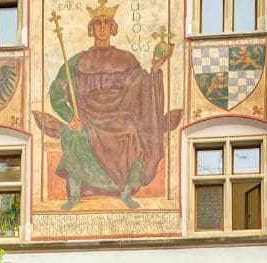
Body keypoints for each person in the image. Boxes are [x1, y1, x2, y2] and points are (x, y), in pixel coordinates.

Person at [48, 0, 180, 209]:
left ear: (113, 28)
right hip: (87, 118)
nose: (102, 27)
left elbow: (141, 86)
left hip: (119, 117)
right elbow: (56, 91)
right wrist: (70, 117)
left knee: (132, 132)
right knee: (75, 135)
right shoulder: (76, 61)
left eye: (106, 23)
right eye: (98, 23)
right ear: (92, 29)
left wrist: (155, 69)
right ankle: (74, 196)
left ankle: (125, 193)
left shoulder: (126, 59)